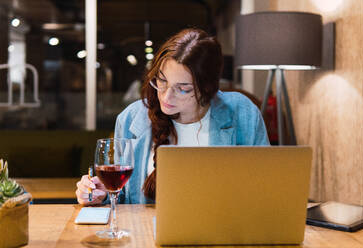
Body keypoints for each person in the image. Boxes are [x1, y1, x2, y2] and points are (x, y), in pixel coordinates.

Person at [76, 28, 270, 205]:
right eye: (161, 80)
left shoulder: (242, 112)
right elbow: (121, 201)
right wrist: (100, 195)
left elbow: (266, 186)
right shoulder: (131, 118)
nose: (166, 96)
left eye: (183, 89)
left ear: (207, 88)